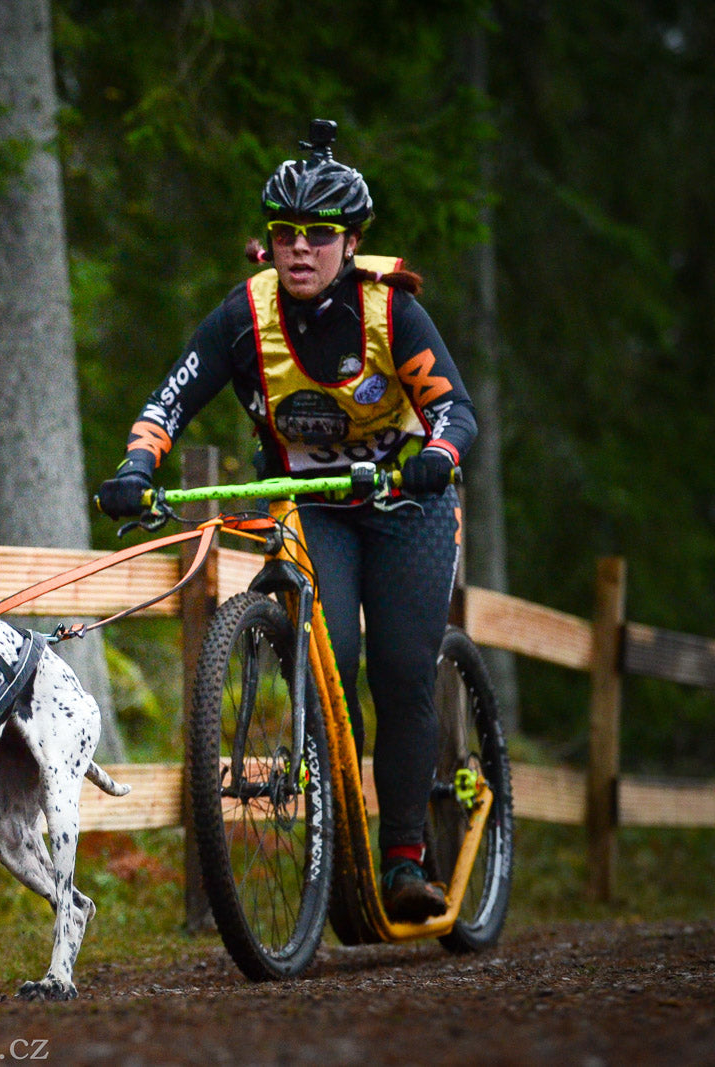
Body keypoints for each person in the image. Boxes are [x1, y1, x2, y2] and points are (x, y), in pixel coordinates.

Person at [94, 119, 477, 923]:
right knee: (326, 656)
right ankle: (326, 845)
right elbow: (169, 400)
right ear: (268, 242)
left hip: (407, 502)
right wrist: (138, 466)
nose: (301, 249)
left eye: (319, 235)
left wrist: (437, 454)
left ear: (351, 242)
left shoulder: (389, 311)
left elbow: (455, 411)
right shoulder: (244, 314)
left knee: (402, 670)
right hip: (313, 506)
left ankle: (405, 853)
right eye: (286, 234)